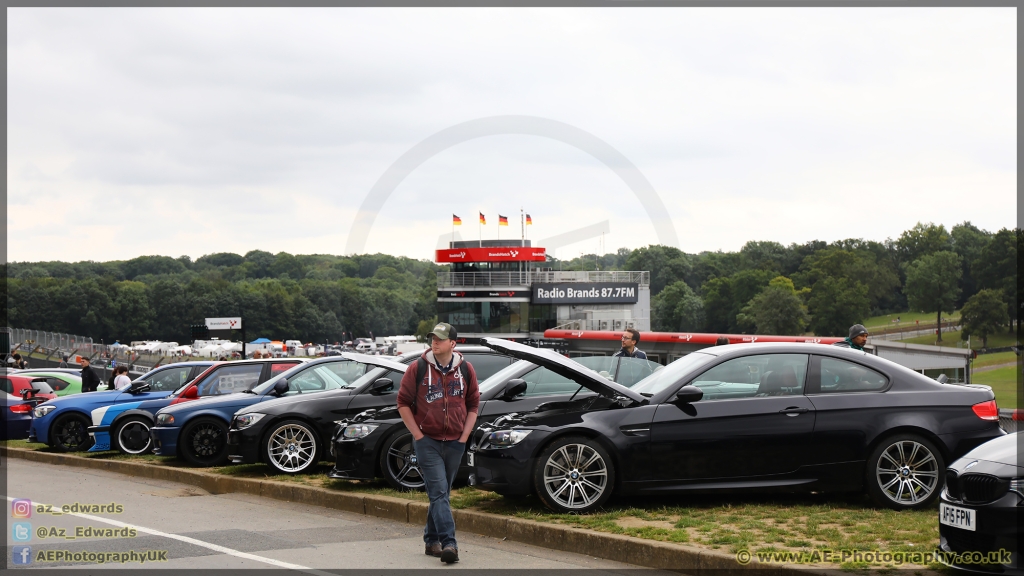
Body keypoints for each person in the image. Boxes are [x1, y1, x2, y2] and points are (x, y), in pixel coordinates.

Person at [396, 322, 479, 564]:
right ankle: (449, 544)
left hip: (455, 442)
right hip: (428, 441)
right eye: (433, 337)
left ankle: (431, 540)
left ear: (453, 343)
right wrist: (418, 436)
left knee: (440, 494)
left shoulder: (466, 370)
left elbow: (473, 404)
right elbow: (402, 403)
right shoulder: (418, 368)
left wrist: (464, 437)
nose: (435, 341)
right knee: (440, 492)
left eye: (441, 339)